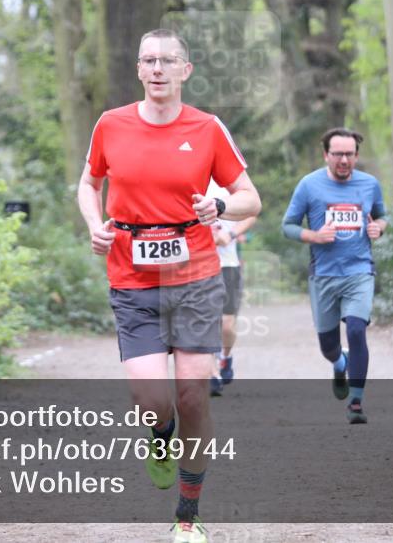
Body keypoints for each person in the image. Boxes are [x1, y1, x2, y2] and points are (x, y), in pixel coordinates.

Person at [77, 29, 261, 542]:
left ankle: (187, 515)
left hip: (197, 276)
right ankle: (160, 436)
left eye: (168, 60)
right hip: (131, 277)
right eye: (148, 60)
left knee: (193, 394)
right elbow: (89, 183)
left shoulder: (206, 128)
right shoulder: (110, 125)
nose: (157, 69)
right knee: (151, 397)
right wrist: (94, 223)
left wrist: (220, 205)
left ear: (186, 70)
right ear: (138, 69)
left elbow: (252, 197)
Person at [282, 128, 388, 424]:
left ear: (357, 155)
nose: (344, 160)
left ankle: (356, 402)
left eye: (349, 154)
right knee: (328, 346)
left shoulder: (369, 185)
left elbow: (382, 215)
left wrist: (379, 227)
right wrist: (314, 236)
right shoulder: (309, 185)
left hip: (359, 271)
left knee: (356, 329)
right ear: (326, 155)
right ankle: (339, 363)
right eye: (338, 154)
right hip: (324, 275)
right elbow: (287, 225)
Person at [206, 180, 257, 397]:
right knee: (205, 322)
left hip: (228, 265)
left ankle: (225, 358)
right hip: (198, 266)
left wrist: (231, 234)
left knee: (226, 325)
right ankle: (212, 374)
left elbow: (252, 212)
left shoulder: (229, 183)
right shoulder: (185, 178)